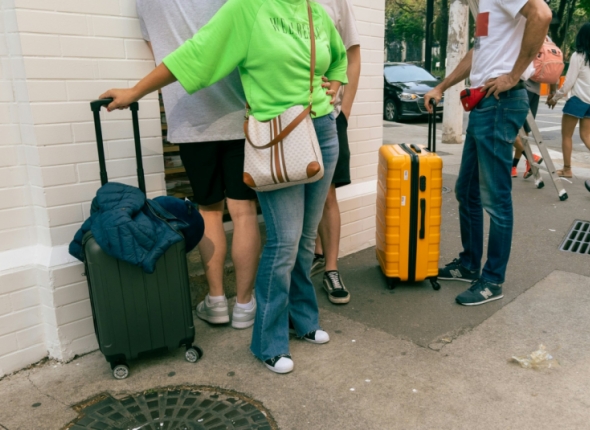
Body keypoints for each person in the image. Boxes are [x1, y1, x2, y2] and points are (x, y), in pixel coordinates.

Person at [101, 0, 348, 374]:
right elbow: (195, 56)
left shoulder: (313, 10)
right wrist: (136, 91)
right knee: (284, 242)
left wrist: (336, 84)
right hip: (278, 135)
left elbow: (339, 58)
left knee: (304, 238)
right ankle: (268, 342)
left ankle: (303, 320)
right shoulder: (247, 8)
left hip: (323, 132)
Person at [136, 0, 261, 330]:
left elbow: (160, 57)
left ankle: (216, 301)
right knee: (244, 211)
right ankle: (245, 305)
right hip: (241, 114)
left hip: (190, 118)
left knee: (209, 210)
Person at [425, 0, 552, 306]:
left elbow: (542, 14)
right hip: (484, 103)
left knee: (496, 198)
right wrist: (442, 86)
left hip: (500, 102)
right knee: (467, 191)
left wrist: (513, 75)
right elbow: (478, 53)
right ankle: (470, 264)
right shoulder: (484, 4)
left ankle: (493, 280)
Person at [311, 0, 361, 305]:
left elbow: (352, 56)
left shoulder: (335, 3)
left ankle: (331, 268)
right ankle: (314, 255)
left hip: (327, 116)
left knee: (327, 192)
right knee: (299, 189)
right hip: (287, 117)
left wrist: (345, 110)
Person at [547, 22, 590, 185]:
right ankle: (566, 168)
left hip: (577, 100)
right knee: (587, 136)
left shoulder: (578, 56)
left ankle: (567, 169)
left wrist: (555, 98)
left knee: (567, 136)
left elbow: (569, 82)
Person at [511, 79, 543, 178]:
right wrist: (553, 91)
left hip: (520, 87)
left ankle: (530, 157)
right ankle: (513, 166)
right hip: (535, 90)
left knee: (507, 128)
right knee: (524, 132)